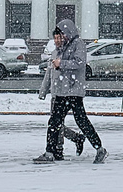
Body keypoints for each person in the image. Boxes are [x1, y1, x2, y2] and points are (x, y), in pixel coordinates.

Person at [33, 20, 108, 164]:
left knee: (78, 121)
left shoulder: (78, 44)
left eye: (62, 34)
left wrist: (61, 63)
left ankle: (99, 148)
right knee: (56, 122)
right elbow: (52, 71)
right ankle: (50, 152)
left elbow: (79, 63)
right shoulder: (62, 48)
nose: (61, 38)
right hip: (63, 92)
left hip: (73, 91)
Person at [38, 30, 86, 159]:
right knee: (56, 123)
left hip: (67, 93)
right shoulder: (54, 53)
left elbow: (75, 69)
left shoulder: (68, 53)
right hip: (56, 92)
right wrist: (43, 91)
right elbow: (49, 74)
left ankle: (58, 149)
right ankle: (74, 139)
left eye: (59, 38)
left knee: (56, 123)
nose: (57, 40)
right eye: (55, 38)